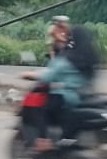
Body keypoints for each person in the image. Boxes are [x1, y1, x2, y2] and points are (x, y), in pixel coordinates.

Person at [22, 21, 96, 152]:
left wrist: (29, 74)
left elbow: (50, 74)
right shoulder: (88, 58)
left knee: (42, 108)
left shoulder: (69, 59)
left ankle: (43, 140)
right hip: (82, 94)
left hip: (67, 95)